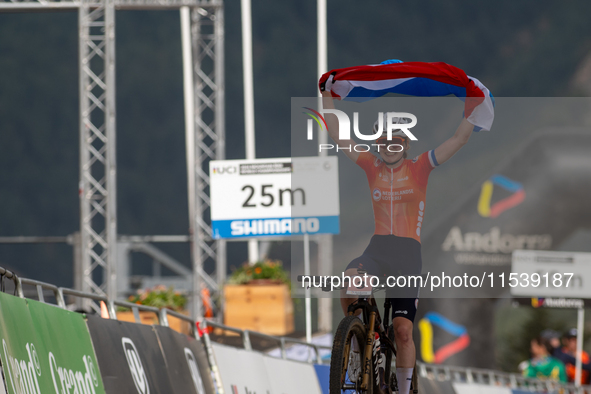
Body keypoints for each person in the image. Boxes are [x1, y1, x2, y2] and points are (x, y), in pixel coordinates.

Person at [321, 90, 474, 394]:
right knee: (349, 283)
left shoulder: (420, 167)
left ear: (405, 145)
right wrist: (328, 95)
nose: (390, 147)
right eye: (384, 142)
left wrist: (473, 107)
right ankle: (355, 343)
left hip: (407, 255)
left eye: (397, 141)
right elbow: (338, 134)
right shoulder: (370, 165)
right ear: (377, 146)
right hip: (378, 249)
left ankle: (404, 390)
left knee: (403, 332)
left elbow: (458, 140)